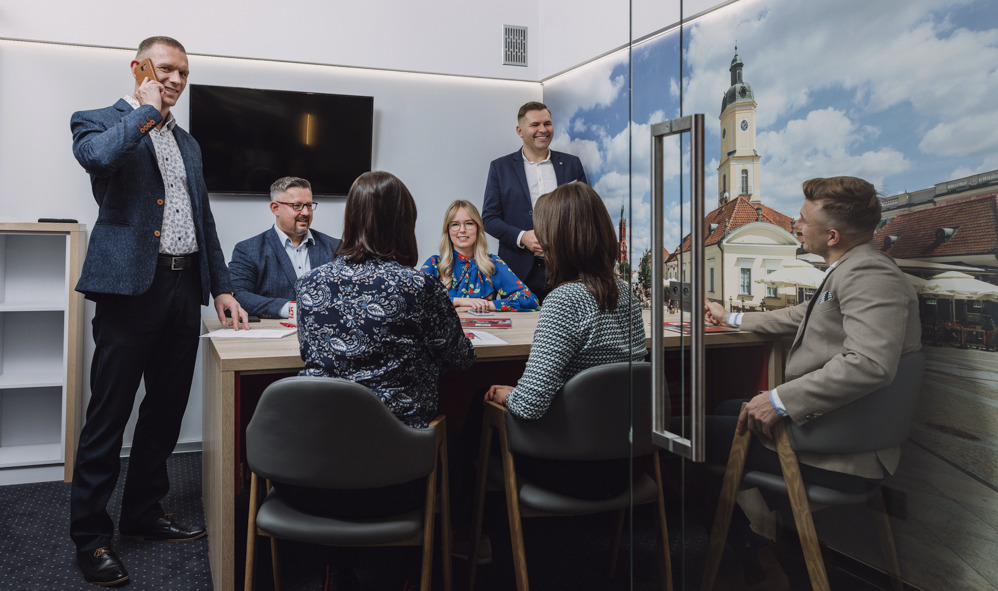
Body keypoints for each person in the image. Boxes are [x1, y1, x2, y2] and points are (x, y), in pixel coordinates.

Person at [69, 36, 248, 586]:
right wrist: (146, 109)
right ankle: (91, 538)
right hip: (128, 291)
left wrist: (221, 286)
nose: (175, 80)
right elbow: (98, 160)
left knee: (165, 411)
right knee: (109, 415)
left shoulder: (189, 145)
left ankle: (144, 513)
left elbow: (205, 220)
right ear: (140, 67)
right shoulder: (96, 121)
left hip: (182, 287)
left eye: (183, 73)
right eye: (166, 69)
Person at [703, 176, 921, 485]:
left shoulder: (870, 273)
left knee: (679, 431)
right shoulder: (851, 269)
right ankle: (740, 527)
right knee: (727, 407)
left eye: (804, 220)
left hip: (840, 453)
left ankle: (733, 532)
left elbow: (870, 363)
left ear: (832, 236)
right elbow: (801, 315)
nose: (796, 224)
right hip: (835, 431)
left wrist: (779, 400)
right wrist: (729, 318)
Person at [484, 182, 646, 497]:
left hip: (572, 466)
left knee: (483, 404)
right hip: (629, 462)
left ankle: (482, 537)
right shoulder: (628, 295)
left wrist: (508, 395)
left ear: (560, 239)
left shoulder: (564, 300)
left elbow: (529, 406)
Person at [297, 171, 475, 430]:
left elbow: (308, 352)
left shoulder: (308, 283)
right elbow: (459, 358)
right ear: (403, 223)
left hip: (322, 428)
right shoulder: (418, 286)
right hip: (398, 436)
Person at [482, 101, 588, 301]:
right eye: (535, 125)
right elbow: (489, 218)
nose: (543, 130)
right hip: (518, 273)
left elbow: (585, 214)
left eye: (547, 123)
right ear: (520, 130)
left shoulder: (572, 164)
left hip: (568, 272)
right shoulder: (500, 168)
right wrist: (522, 237)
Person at [228, 176, 340, 318]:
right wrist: (289, 309)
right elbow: (237, 296)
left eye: (309, 205)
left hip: (326, 333)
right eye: (297, 206)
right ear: (275, 208)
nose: (305, 212)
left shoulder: (335, 247)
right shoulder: (248, 250)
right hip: (274, 335)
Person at [421, 200, 539, 313]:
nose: (462, 230)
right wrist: (461, 302)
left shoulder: (492, 263)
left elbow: (530, 300)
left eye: (469, 223)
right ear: (448, 230)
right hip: (444, 333)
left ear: (478, 228)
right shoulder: (434, 264)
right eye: (455, 224)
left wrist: (487, 305)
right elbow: (416, 300)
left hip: (485, 331)